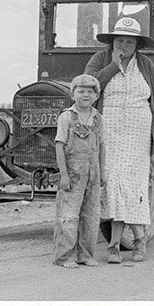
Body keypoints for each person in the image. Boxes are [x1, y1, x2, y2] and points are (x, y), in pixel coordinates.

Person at [85, 15, 154, 264]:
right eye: (119, 40)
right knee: (112, 184)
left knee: (135, 186)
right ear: (112, 42)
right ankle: (118, 245)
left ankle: (136, 242)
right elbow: (89, 88)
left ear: (137, 45)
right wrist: (113, 65)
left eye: (129, 41)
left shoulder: (147, 67)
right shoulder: (100, 60)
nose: (124, 45)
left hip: (138, 134)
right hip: (109, 133)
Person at [53, 74, 106, 269]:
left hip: (93, 172)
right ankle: (65, 256)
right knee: (69, 216)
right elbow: (59, 146)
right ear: (72, 94)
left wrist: (102, 172)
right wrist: (64, 175)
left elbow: (102, 146)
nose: (85, 95)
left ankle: (85, 255)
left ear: (96, 96)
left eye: (90, 92)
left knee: (91, 216)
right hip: (73, 172)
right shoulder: (67, 117)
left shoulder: (98, 118)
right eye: (81, 91)